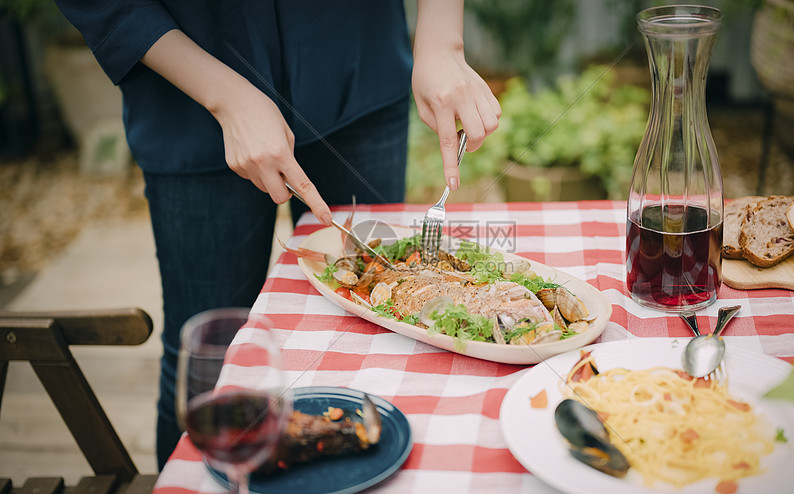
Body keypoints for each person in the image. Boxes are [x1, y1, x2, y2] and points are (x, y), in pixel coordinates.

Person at [53, 0, 501, 469]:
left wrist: (441, 39)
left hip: (356, 68)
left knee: (375, 327)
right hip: (187, 98)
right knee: (209, 356)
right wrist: (224, 95)